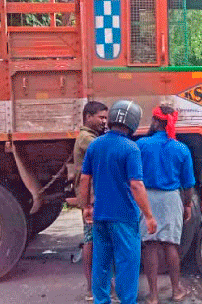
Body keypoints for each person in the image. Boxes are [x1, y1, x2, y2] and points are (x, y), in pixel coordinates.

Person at [78, 100, 157, 304]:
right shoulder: (131, 149)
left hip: (100, 215)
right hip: (124, 216)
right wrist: (148, 216)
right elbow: (137, 185)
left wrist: (86, 207)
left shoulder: (95, 145)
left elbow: (84, 179)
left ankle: (101, 300)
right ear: (133, 122)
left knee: (101, 263)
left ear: (112, 118)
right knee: (127, 264)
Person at [136, 104, 195, 304]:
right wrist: (187, 205)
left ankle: (153, 296)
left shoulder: (141, 145)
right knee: (171, 245)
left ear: (154, 121)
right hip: (171, 199)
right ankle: (176, 290)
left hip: (147, 198)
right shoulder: (181, 148)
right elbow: (188, 184)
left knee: (150, 245)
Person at [73, 101, 109, 301]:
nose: (104, 121)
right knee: (91, 241)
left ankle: (97, 286)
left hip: (93, 197)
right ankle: (92, 288)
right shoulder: (87, 139)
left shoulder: (91, 137)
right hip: (91, 199)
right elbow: (105, 150)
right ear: (88, 117)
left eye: (106, 118)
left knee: (95, 240)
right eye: (101, 117)